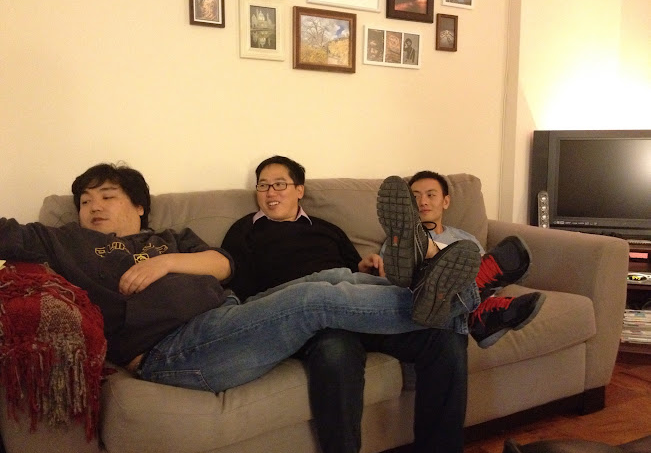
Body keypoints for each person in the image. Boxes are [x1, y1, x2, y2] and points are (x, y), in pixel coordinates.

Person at [0, 162, 476, 402]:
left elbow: (223, 265)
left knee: (331, 276)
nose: (94, 208)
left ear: (139, 206)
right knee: (312, 301)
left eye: (107, 196)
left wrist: (166, 263)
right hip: (171, 351)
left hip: (226, 318)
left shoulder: (170, 238)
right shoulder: (64, 241)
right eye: (85, 201)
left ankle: (454, 294)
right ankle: (465, 303)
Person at [221, 156, 540, 453]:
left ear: (299, 190)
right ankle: (469, 305)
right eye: (263, 186)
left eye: (279, 184)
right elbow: (243, 293)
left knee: (444, 339)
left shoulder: (327, 228)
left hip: (358, 304)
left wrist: (366, 265)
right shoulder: (244, 231)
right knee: (336, 351)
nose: (271, 193)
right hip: (306, 315)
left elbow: (352, 269)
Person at [405, 170, 546, 348]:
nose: (423, 202)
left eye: (430, 195)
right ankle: (479, 317)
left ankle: (479, 311)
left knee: (475, 269)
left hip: (467, 295)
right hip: (427, 294)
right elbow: (395, 279)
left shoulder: (465, 238)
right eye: (415, 197)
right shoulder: (401, 241)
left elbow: (492, 283)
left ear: (445, 201)